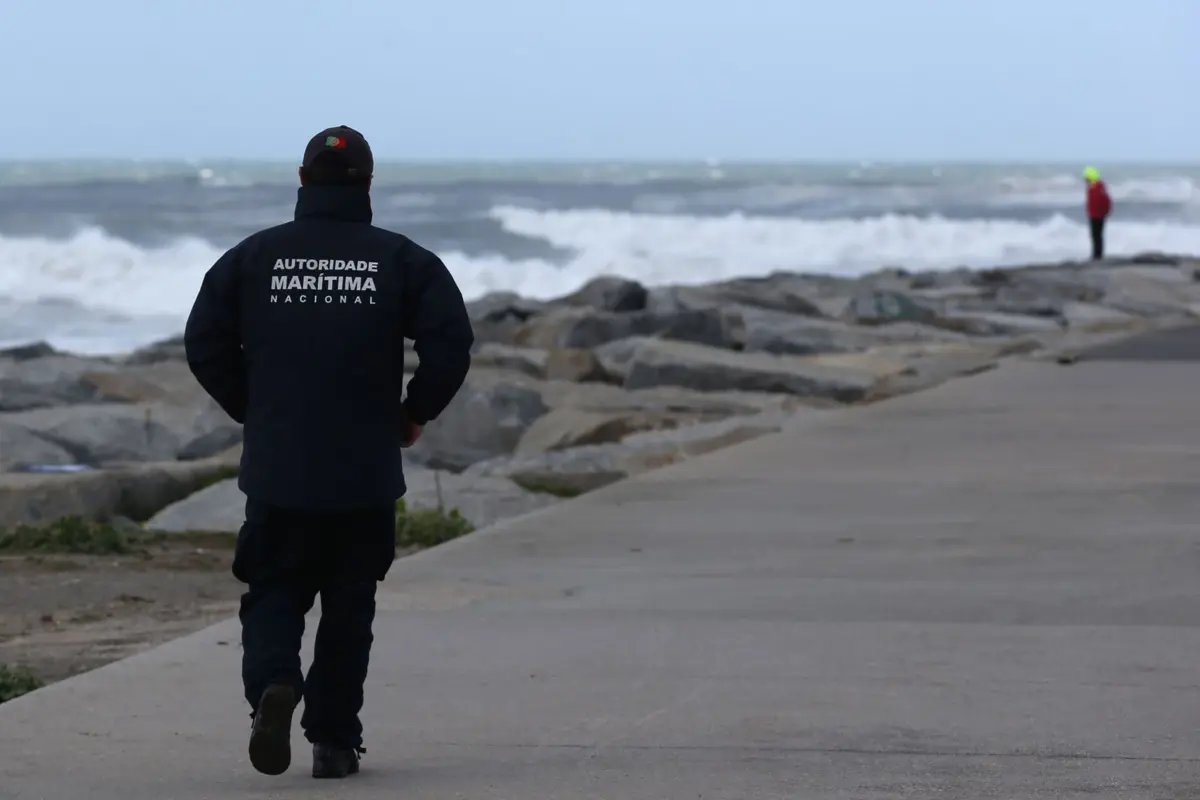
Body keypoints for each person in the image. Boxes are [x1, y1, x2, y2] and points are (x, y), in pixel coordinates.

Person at [183, 125, 474, 780]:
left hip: (281, 468)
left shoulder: (254, 259)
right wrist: (412, 412)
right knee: (350, 605)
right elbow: (451, 344)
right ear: (368, 184)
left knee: (273, 588)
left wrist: (252, 408)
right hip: (363, 472)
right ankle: (335, 741)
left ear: (301, 178)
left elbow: (203, 340)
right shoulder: (401, 260)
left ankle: (273, 687)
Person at [1084, 165, 1112, 260]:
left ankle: (1098, 255)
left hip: (1099, 215)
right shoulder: (1092, 188)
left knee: (1098, 235)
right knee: (1094, 235)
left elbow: (1106, 201)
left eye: (1086, 177)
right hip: (1093, 215)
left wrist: (1105, 212)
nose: (1085, 179)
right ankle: (1095, 254)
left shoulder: (1098, 187)